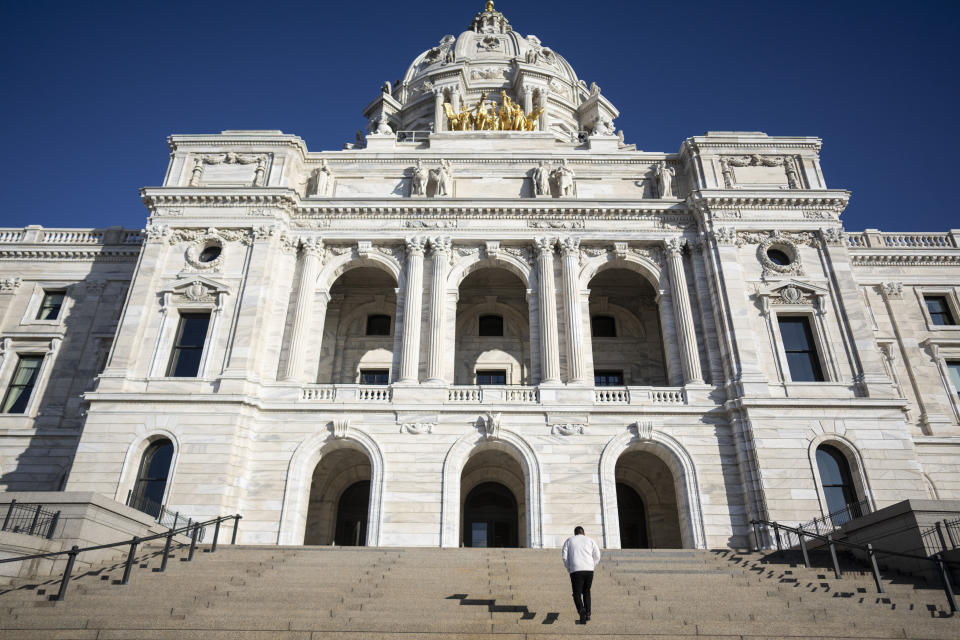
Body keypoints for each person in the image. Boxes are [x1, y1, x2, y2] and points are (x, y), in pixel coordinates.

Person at [561, 526, 601, 624]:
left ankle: (581, 610)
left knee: (576, 594)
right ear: (584, 533)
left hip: (576, 570)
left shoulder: (569, 540)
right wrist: (593, 565)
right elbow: (597, 555)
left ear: (575, 533)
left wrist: (569, 568)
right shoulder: (590, 540)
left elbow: (564, 556)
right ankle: (588, 613)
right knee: (587, 591)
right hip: (589, 570)